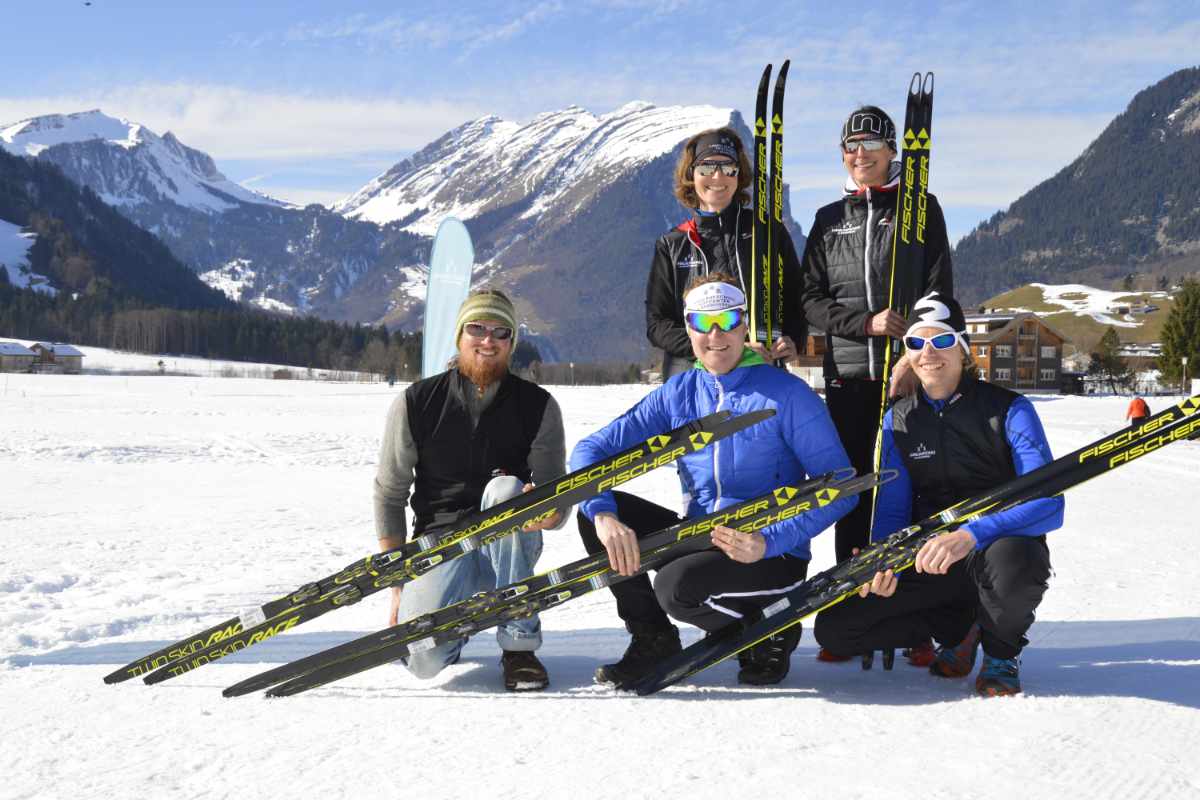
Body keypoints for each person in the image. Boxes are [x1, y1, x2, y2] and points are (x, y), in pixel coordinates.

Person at [574, 274, 856, 687]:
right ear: (688, 328)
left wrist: (769, 542)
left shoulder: (788, 395)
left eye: (727, 320)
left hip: (770, 553)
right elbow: (590, 450)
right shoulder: (679, 393)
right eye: (703, 323)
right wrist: (602, 515)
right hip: (702, 536)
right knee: (596, 514)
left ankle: (774, 622)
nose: (716, 335)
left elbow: (842, 487)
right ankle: (654, 638)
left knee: (675, 588)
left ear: (744, 325)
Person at [813, 293, 1064, 697]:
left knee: (1015, 560)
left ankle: (1001, 652)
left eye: (942, 341)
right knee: (836, 629)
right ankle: (958, 629)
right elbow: (893, 509)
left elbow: (1048, 502)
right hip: (932, 558)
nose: (929, 353)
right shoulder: (898, 420)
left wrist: (973, 535)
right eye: (916, 343)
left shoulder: (1010, 409)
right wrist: (884, 561)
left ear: (963, 348)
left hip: (997, 546)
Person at [373, 288, 566, 691]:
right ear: (459, 334)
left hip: (507, 546)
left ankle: (519, 646)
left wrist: (549, 510)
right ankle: (457, 627)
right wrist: (398, 583)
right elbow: (390, 494)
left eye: (501, 332)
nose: (488, 341)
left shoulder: (539, 405)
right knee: (422, 663)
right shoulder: (417, 402)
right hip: (440, 546)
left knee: (506, 490)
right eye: (477, 328)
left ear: (512, 342)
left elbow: (555, 496)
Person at [799, 106, 954, 565]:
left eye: (870, 144)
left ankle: (914, 609)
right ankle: (851, 610)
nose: (860, 153)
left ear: (891, 150)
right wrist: (867, 323)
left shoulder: (920, 209)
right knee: (854, 490)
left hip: (911, 377)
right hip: (849, 381)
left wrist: (911, 359)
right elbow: (809, 301)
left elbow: (940, 291)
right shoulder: (828, 220)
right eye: (851, 145)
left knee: (911, 489)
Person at [645, 127, 805, 379]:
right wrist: (721, 349)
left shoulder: (767, 232)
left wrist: (794, 339)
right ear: (691, 174)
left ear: (738, 175)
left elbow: (797, 299)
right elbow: (658, 323)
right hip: (692, 375)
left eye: (728, 168)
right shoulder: (673, 243)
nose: (718, 177)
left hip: (759, 371)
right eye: (707, 168)